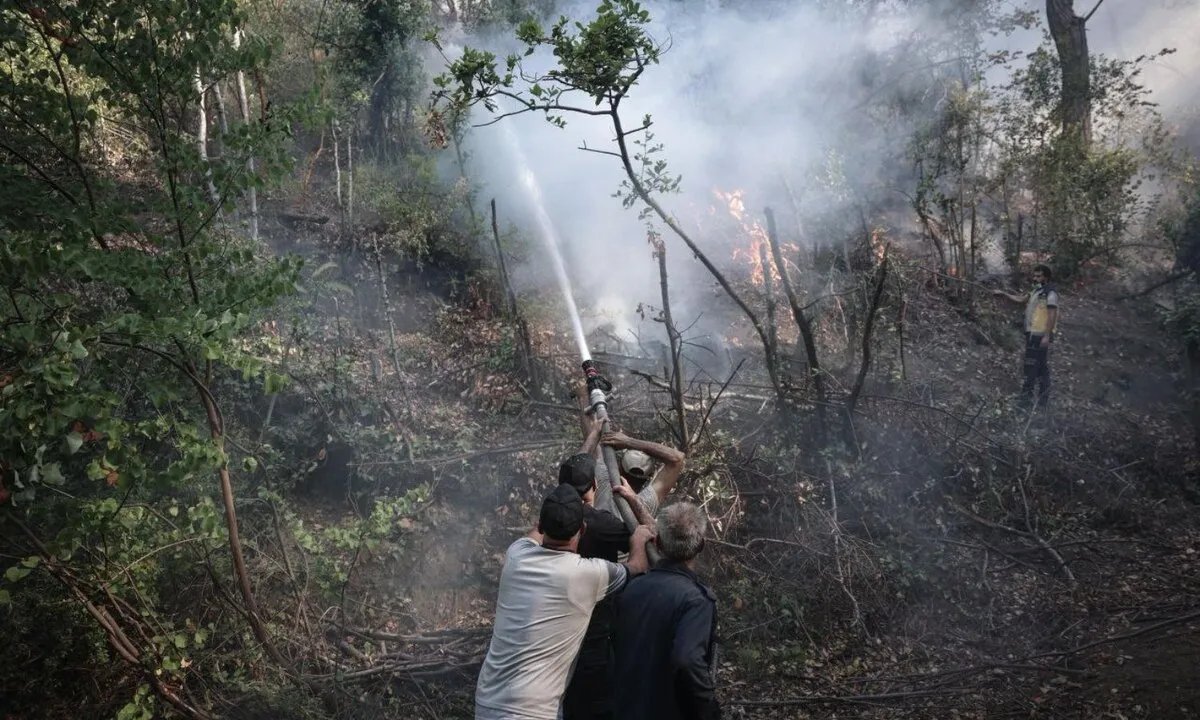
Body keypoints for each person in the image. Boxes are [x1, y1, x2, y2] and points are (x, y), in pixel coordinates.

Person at [475, 484, 655, 720]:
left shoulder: (516, 555)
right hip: (535, 712)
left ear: (540, 525)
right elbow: (638, 567)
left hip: (488, 702)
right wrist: (639, 539)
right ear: (583, 528)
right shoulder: (589, 575)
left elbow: (533, 535)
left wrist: (557, 506)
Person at [559, 414, 656, 720]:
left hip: (568, 612)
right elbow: (641, 558)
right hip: (603, 612)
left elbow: (581, 465)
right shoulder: (605, 523)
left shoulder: (555, 507)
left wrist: (595, 429)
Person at [611, 502, 720, 720]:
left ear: (658, 542)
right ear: (701, 545)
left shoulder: (630, 589)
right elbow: (687, 660)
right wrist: (709, 711)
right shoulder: (696, 600)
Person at [993, 264, 1060, 408]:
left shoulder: (1050, 293)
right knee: (1041, 366)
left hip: (1040, 334)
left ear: (1046, 277)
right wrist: (1004, 294)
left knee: (1031, 365)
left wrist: (1047, 336)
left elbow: (1052, 315)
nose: (1035, 278)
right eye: (1034, 275)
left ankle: (1026, 398)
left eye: (1039, 276)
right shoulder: (1036, 290)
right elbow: (1021, 299)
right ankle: (1042, 400)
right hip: (1032, 333)